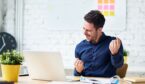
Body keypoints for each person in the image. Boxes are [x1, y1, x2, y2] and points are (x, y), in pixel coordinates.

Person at [74, 10, 124, 77]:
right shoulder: (80, 47)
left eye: (88, 30)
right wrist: (77, 71)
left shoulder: (113, 43)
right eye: (84, 28)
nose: (84, 33)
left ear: (99, 29)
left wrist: (115, 54)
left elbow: (119, 65)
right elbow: (76, 76)